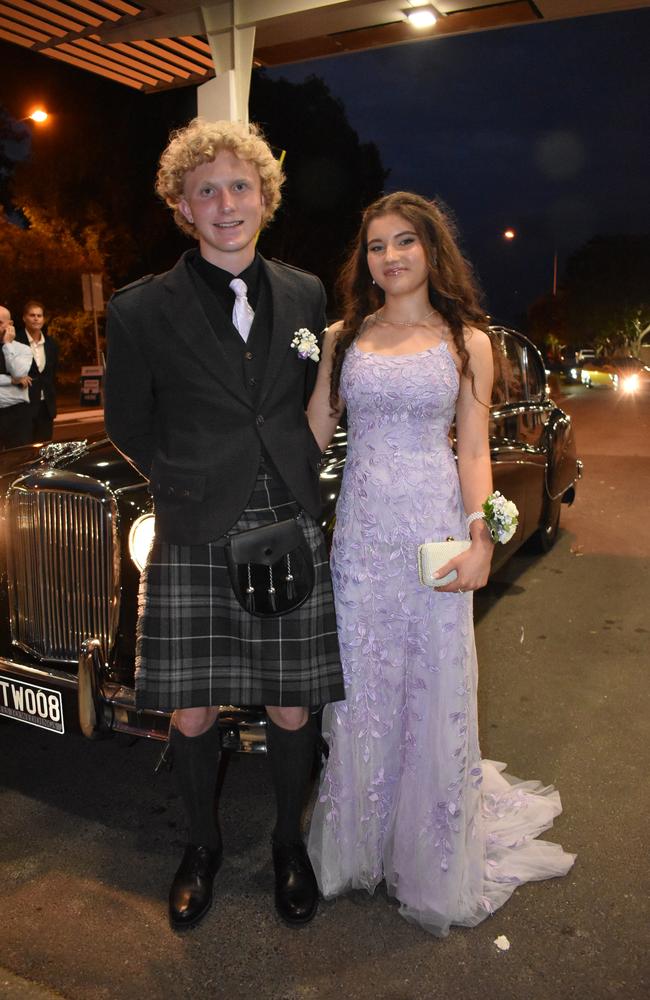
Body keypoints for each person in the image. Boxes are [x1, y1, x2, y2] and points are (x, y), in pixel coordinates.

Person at [306, 191, 575, 937]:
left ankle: (429, 852)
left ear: (432, 251)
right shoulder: (342, 337)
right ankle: (360, 839)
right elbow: (312, 434)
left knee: (432, 681)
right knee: (361, 688)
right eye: (376, 246)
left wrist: (482, 540)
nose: (389, 257)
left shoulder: (468, 341)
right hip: (360, 538)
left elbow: (476, 450)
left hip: (432, 534)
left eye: (404, 243)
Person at [103, 118, 344, 932]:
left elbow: (312, 397)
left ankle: (288, 844)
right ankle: (200, 846)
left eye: (240, 185)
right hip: (196, 526)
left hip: (286, 515)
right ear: (182, 206)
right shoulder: (139, 309)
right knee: (193, 708)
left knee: (291, 703)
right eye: (206, 190)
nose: (225, 202)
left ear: (265, 198)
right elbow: (127, 420)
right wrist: (184, 485)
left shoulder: (308, 293)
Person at [15, 300, 58, 443]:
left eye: (39, 315)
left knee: (44, 453)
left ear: (43, 319)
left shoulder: (51, 344)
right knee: (24, 453)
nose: (36, 318)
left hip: (46, 408)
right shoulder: (15, 342)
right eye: (32, 315)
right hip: (23, 409)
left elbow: (53, 374)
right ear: (24, 318)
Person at [0, 305, 33, 450]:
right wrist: (12, 381)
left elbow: (19, 373)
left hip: (17, 414)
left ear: (10, 325)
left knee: (19, 458)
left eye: (0, 323)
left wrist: (8, 345)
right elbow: (17, 378)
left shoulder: (22, 349)